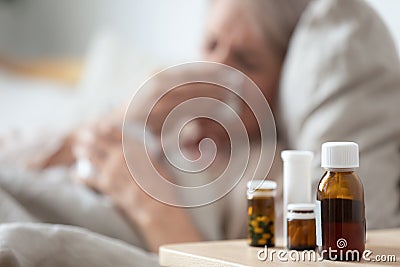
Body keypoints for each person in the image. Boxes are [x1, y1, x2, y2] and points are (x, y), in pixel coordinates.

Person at [1, 0, 399, 265]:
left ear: (280, 85)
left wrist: (146, 203)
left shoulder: (268, 176)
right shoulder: (144, 114)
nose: (218, 71)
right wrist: (104, 127)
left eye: (246, 59)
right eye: (211, 44)